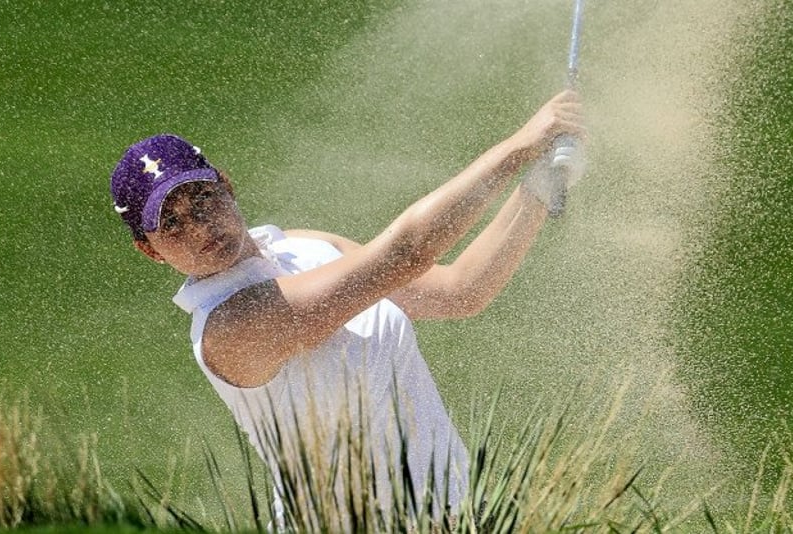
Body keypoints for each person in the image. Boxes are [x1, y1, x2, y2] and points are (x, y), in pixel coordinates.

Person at [109, 90, 584, 524]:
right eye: (171, 223)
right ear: (151, 251)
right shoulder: (230, 326)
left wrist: (540, 184)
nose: (199, 226)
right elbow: (406, 254)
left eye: (204, 198)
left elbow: (460, 291)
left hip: (459, 514)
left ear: (227, 188)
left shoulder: (305, 247)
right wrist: (519, 146)